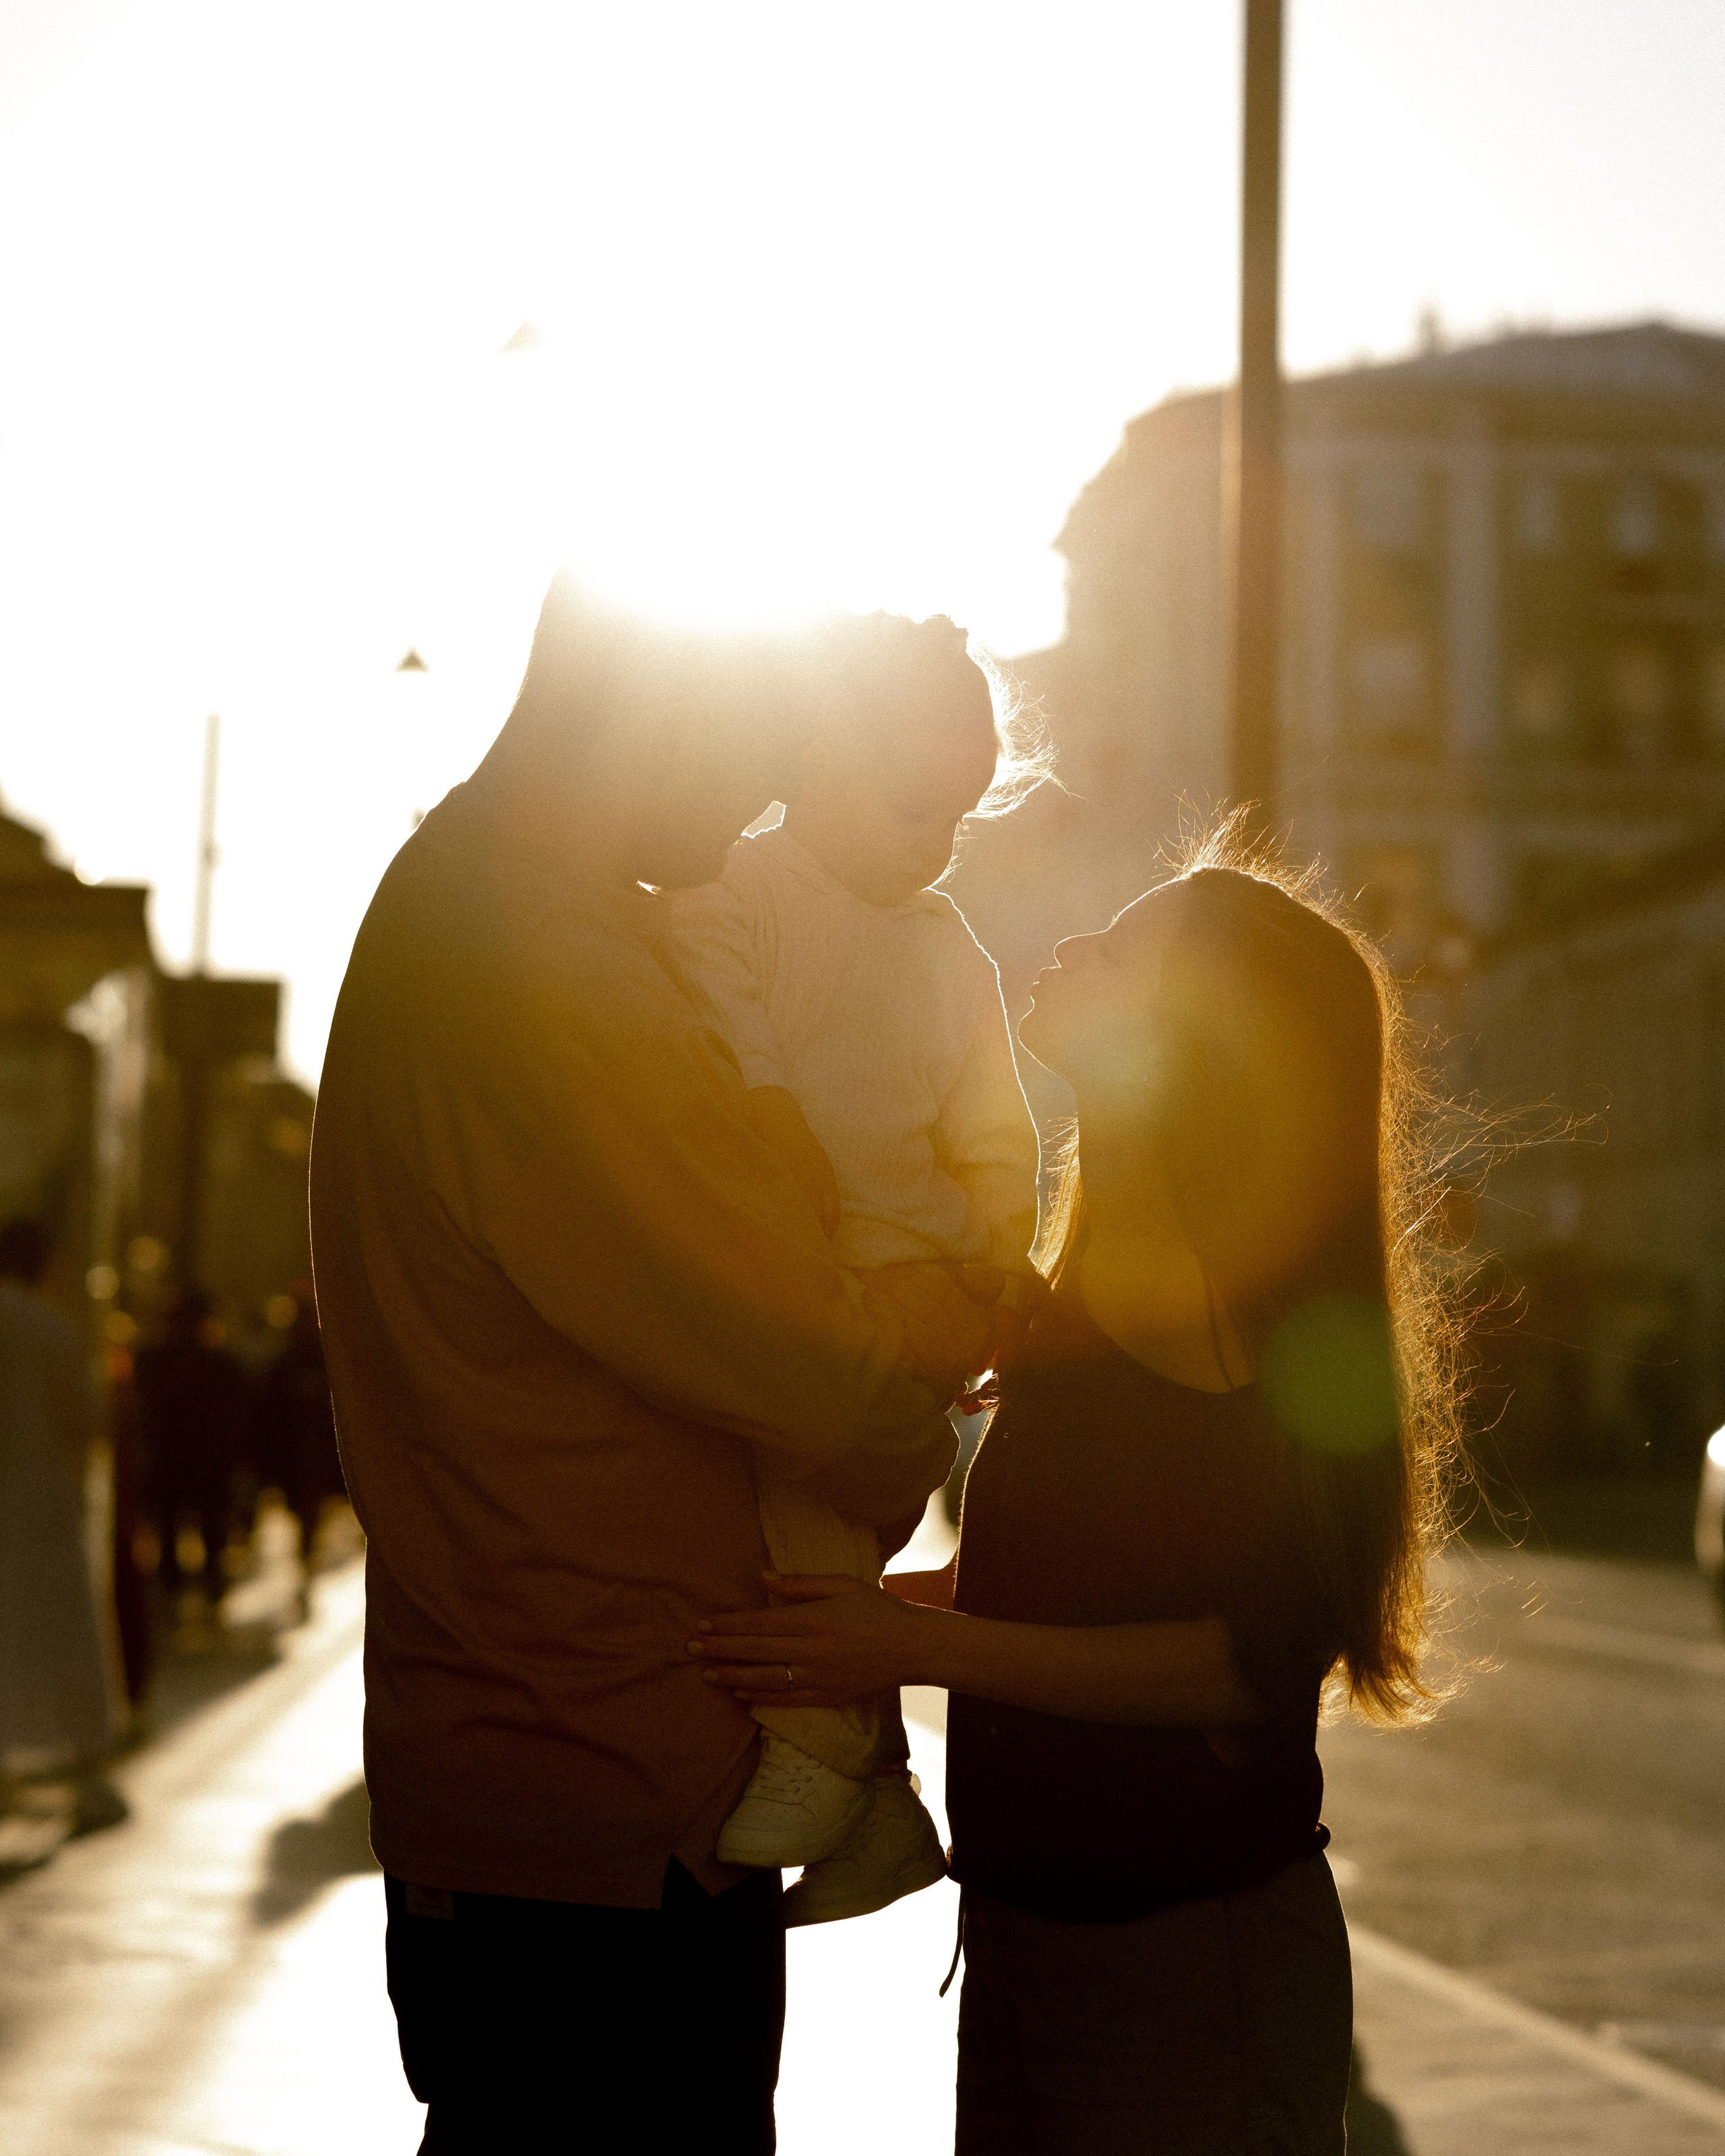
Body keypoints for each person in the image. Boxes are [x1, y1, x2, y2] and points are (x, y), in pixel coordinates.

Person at [309, 574, 999, 2153]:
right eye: (764, 752)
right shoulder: (549, 964)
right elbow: (795, 1346)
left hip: (546, 1778)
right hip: (601, 1786)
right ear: (661, 718)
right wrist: (928, 1382)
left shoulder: (482, 909)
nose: (776, 800)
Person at [691, 835, 1463, 2155]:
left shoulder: (1206, 1289)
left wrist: (912, 1641)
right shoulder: (1117, 1267)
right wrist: (864, 1612)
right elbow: (1087, 1587)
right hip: (1048, 1944)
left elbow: (1238, 1661)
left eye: (1116, 951)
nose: (1069, 951)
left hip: (1175, 1976)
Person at [667, 610, 1044, 1926]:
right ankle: (869, 1783)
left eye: (956, 818)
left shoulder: (948, 951)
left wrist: (994, 1266)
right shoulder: (731, 895)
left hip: (903, 1278)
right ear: (814, 757)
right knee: (786, 1521)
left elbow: (996, 1134)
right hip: (798, 1269)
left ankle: (826, 1756)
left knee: (811, 1522)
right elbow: (737, 1077)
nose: (930, 845)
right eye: (907, 806)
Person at [0, 1217, 127, 1832]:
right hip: (41, 1504)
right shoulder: (50, 1328)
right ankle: (90, 1774)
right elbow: (85, 1416)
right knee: (66, 1639)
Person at [133, 1290, 250, 1616]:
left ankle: (179, 1594)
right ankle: (205, 1591)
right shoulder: (220, 1364)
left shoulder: (156, 1361)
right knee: (199, 1532)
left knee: (178, 1532)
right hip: (200, 1464)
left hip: (179, 1463)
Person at [253, 1282, 344, 1594]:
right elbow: (269, 1412)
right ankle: (307, 1552)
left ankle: (308, 1552)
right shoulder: (299, 1362)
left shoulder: (316, 1360)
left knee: (308, 1508)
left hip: (311, 1452)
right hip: (301, 1453)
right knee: (305, 1508)